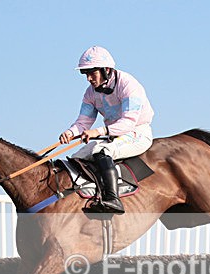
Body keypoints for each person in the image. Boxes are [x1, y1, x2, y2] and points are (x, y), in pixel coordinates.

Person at [59, 46, 155, 214]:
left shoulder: (128, 84)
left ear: (107, 70)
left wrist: (98, 132)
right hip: (112, 135)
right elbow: (83, 121)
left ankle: (113, 199)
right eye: (85, 74)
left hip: (137, 132)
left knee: (102, 151)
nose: (88, 78)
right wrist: (70, 132)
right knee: (77, 157)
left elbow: (128, 122)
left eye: (92, 73)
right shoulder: (90, 93)